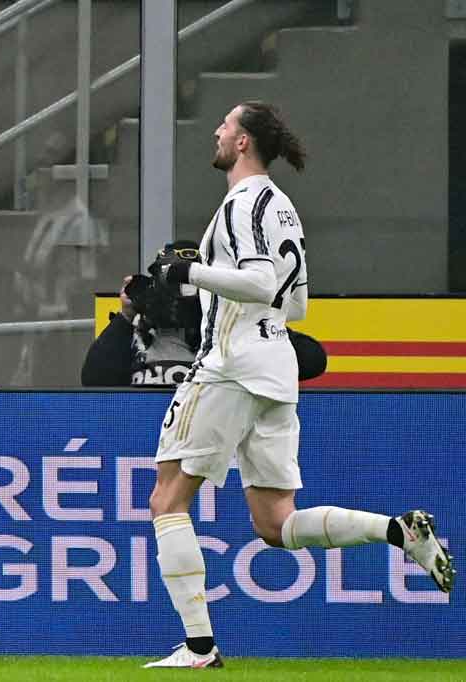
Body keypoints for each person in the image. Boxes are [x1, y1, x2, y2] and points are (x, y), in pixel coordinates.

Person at [142, 102, 454, 669]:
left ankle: (199, 648)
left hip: (230, 365)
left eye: (226, 126)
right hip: (275, 366)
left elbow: (261, 283)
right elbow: (298, 304)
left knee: (167, 499)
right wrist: (207, 290)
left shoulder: (243, 202)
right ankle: (398, 531)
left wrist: (187, 273)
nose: (217, 131)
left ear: (243, 142)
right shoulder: (283, 207)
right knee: (275, 523)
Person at [80, 241, 327, 387]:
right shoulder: (136, 331)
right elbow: (94, 379)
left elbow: (313, 360)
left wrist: (241, 314)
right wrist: (125, 317)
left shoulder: (228, 327)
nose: (179, 295)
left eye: (187, 283)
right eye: (169, 282)